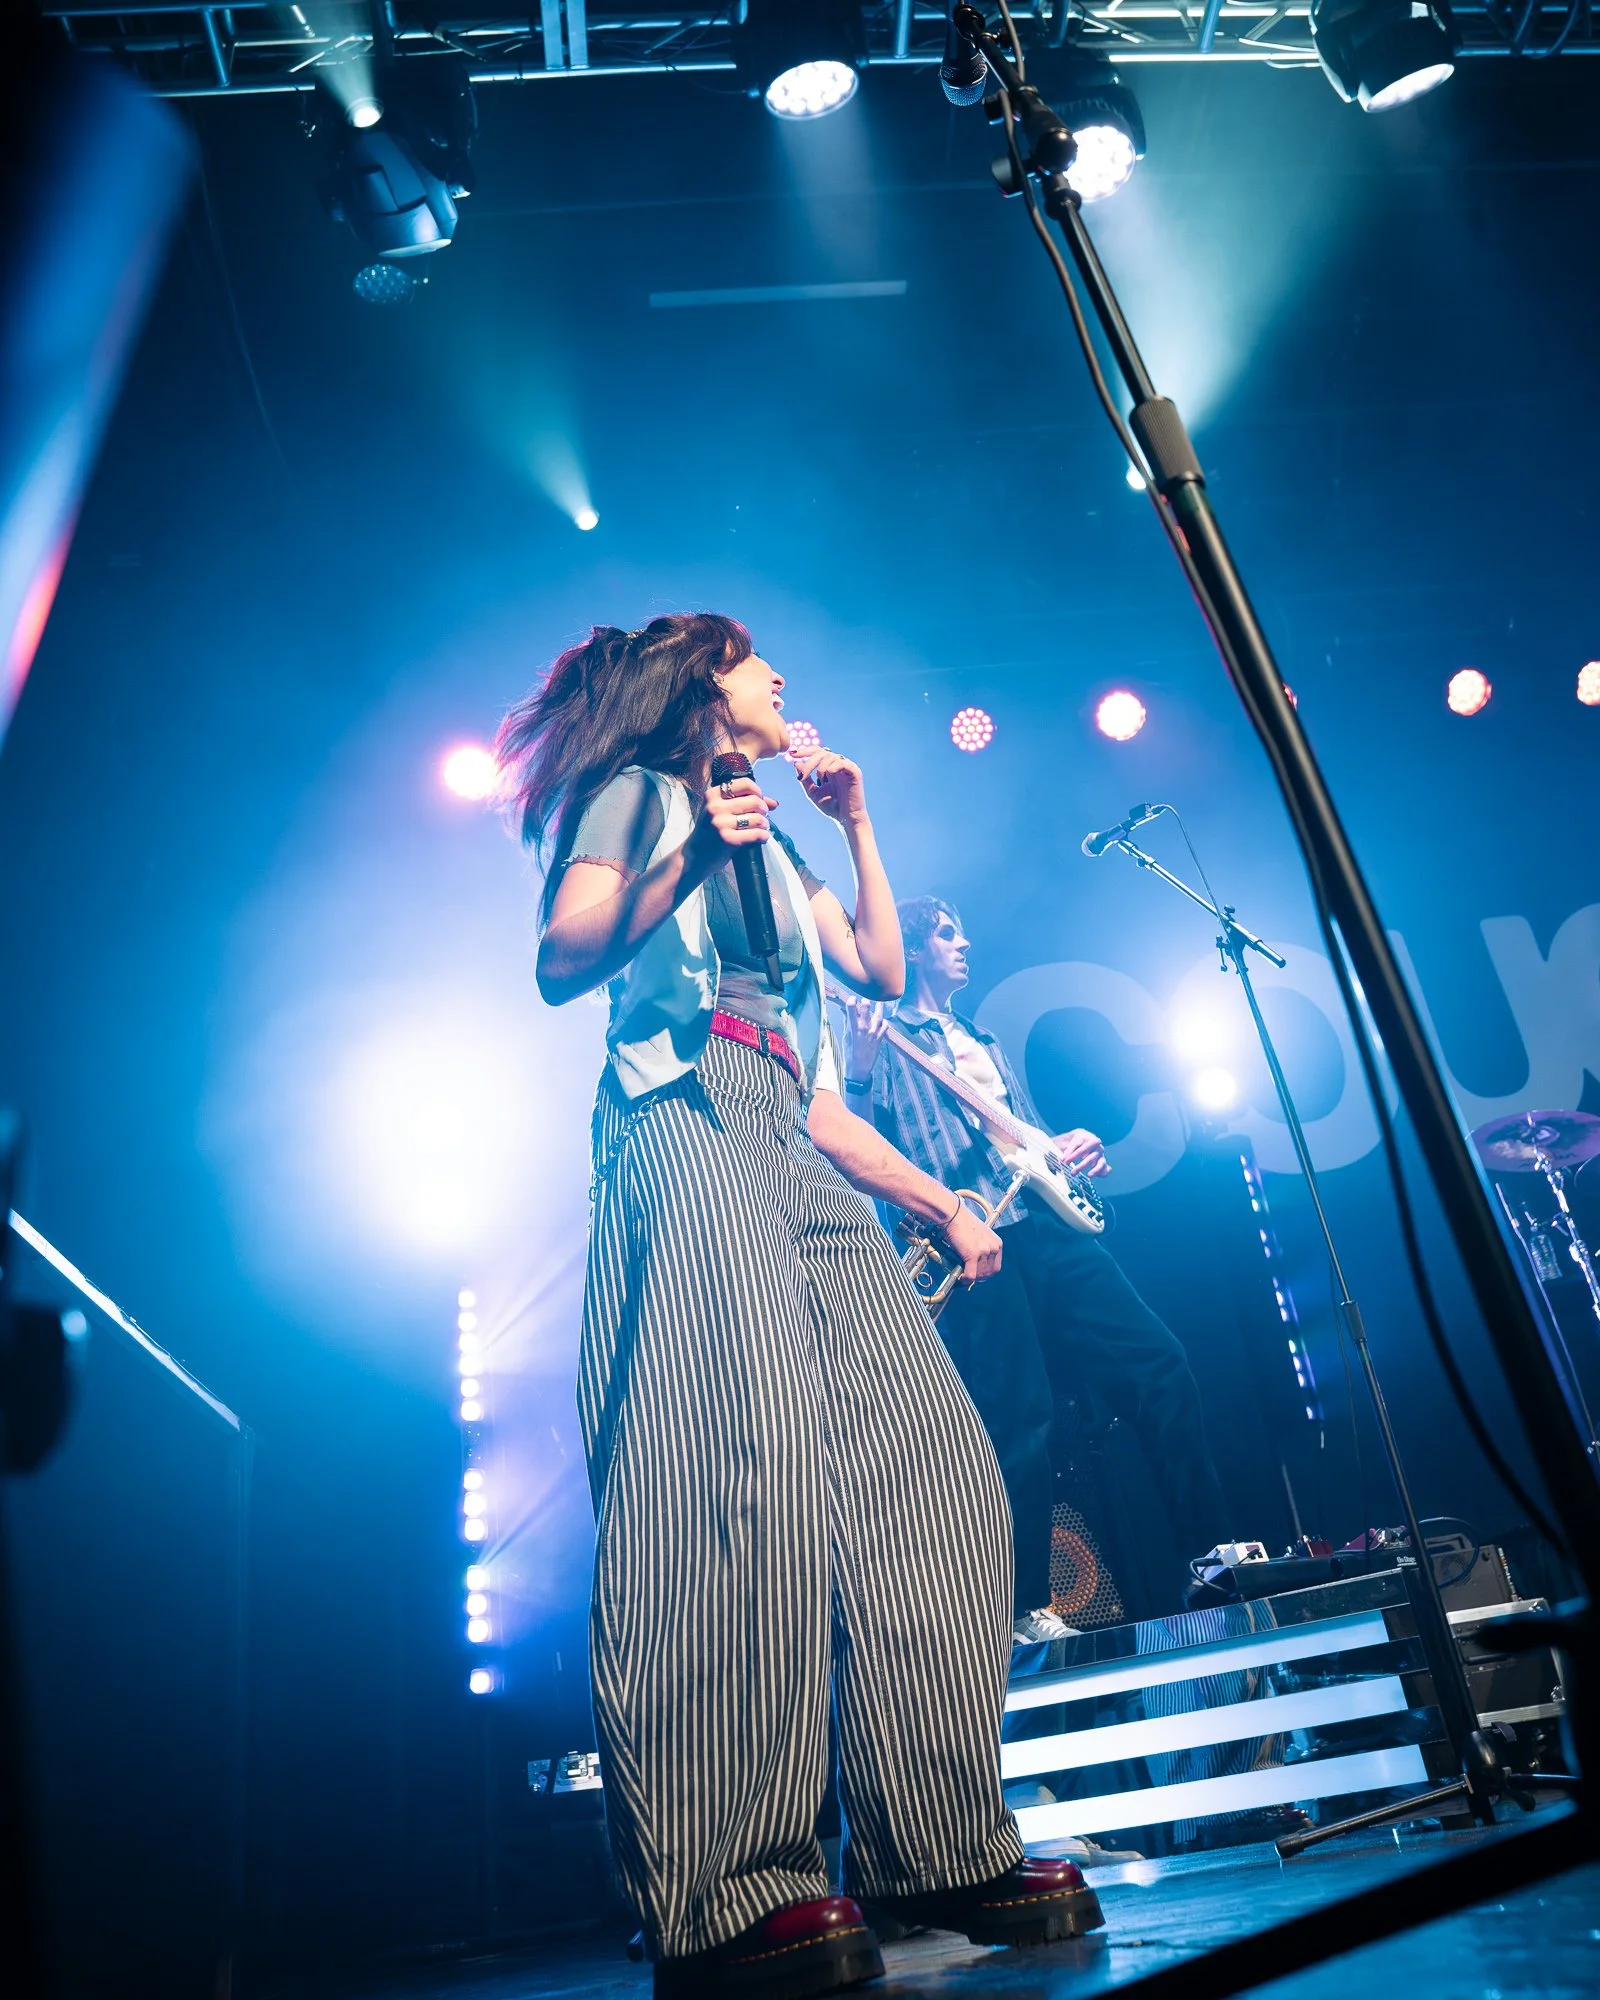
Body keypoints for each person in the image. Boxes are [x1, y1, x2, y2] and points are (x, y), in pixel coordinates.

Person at [496, 616, 1101, 2000]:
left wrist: (938, 1203)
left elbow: (874, 985)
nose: (782, 681)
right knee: (730, 1482)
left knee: (937, 1478)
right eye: (757, 662)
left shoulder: (775, 833)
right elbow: (564, 953)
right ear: (704, 686)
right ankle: (722, 1892)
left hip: (790, 1131)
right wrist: (696, 846)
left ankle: (937, 1849)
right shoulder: (646, 798)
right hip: (683, 1117)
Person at [843, 897, 1232, 1641]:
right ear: (914, 948)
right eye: (947, 933)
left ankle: (1209, 1555)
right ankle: (1025, 1608)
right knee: (1019, 1420)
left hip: (1047, 1227)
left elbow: (1025, 1141)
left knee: (1160, 1364)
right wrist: (859, 1067)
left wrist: (1068, 1148)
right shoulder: (883, 1036)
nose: (964, 943)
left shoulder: (982, 1035)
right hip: (974, 1238)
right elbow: (854, 1141)